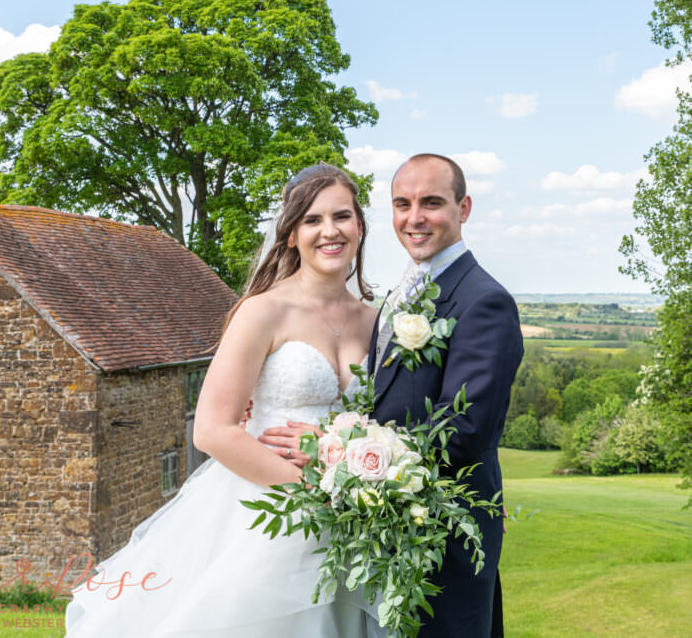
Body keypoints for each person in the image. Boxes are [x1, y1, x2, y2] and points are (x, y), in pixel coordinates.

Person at [64, 164, 378, 637]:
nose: (329, 231)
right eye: (311, 220)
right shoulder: (263, 312)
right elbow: (212, 429)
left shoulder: (377, 321)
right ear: (290, 235)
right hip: (268, 509)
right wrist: (312, 489)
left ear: (359, 226)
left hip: (356, 513)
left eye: (341, 216)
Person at [263, 153, 523, 638]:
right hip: (383, 532)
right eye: (402, 204)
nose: (415, 218)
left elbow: (461, 435)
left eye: (432, 203)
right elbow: (383, 401)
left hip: (441, 542)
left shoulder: (483, 300)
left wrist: (334, 448)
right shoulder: (400, 294)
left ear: (463, 208)